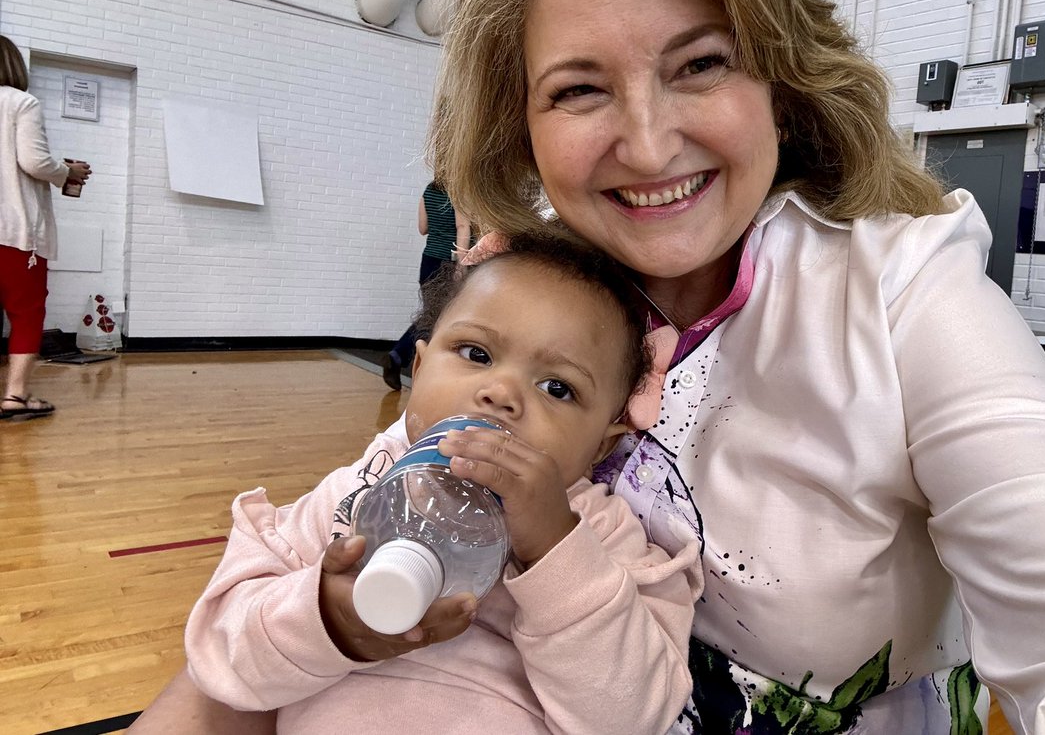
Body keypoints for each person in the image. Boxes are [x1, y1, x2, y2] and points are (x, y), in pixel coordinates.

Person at [135, 0, 1045, 732]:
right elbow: (282, 606)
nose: (648, 146)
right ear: (523, 124)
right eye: (581, 87)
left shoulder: (898, 285)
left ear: (782, 79)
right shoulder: (532, 297)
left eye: (701, 64)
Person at [179, 232, 702, 734]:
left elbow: (634, 717)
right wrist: (324, 623)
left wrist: (555, 551)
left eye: (557, 387)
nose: (501, 393)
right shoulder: (358, 493)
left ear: (603, 444)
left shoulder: (603, 534)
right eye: (476, 354)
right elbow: (224, 660)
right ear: (421, 368)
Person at [0, 35, 91, 422]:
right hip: (12, 231)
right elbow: (34, 162)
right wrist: (67, 172)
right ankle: (14, 398)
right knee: (26, 312)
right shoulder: (20, 102)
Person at [382, 179, 473, 390]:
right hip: (447, 263)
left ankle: (406, 360)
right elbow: (463, 226)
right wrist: (461, 265)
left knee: (432, 314)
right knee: (436, 317)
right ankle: (402, 357)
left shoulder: (429, 190)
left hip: (428, 260)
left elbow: (423, 228)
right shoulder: (460, 190)